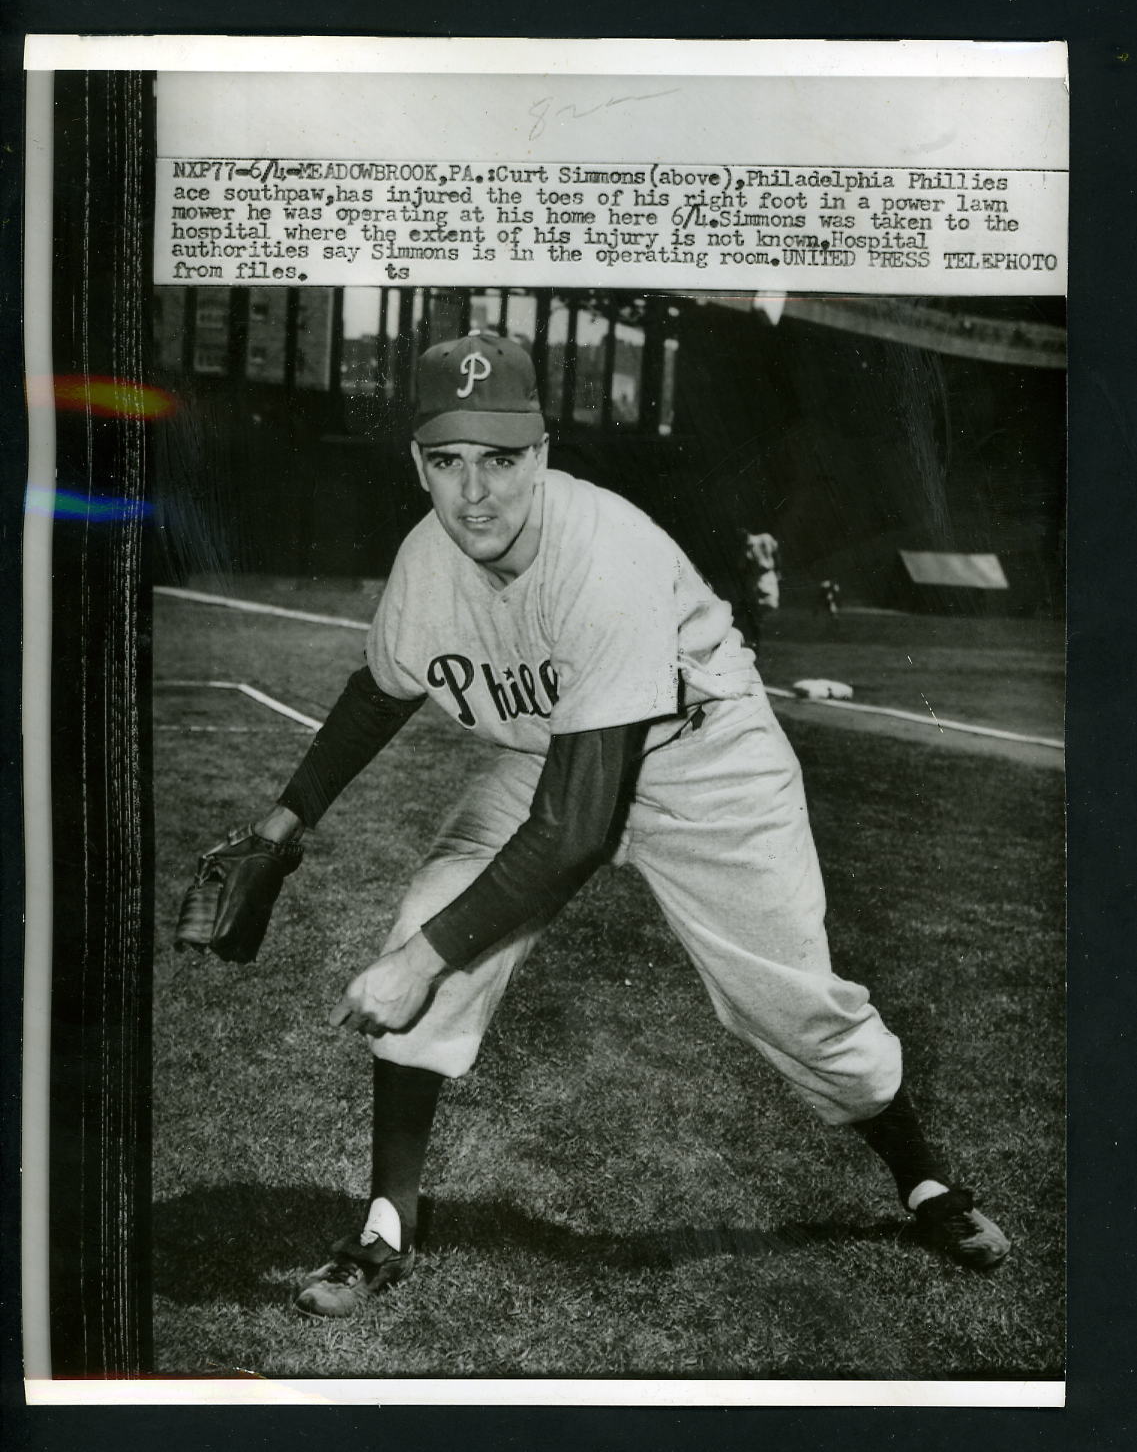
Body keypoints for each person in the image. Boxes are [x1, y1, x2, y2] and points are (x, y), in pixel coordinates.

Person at [236, 331, 1008, 1319]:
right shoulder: (427, 559)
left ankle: (926, 1179)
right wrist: (281, 823)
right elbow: (381, 691)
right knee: (428, 916)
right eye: (448, 460)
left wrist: (418, 962)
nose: (475, 492)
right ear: (417, 463)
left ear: (543, 455)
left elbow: (576, 833)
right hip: (548, 756)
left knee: (792, 1002)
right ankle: (386, 1225)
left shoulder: (606, 556)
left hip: (706, 756)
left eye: (501, 458)